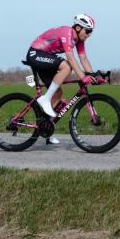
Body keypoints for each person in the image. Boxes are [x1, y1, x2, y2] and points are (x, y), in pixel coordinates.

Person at [26, 14, 97, 144]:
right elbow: (71, 58)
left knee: (58, 94)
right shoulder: (67, 33)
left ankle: (46, 129)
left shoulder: (79, 41)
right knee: (67, 66)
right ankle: (45, 98)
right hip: (35, 53)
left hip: (46, 58)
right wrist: (82, 77)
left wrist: (92, 75)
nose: (89, 34)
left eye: (91, 31)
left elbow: (83, 58)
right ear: (77, 27)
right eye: (87, 31)